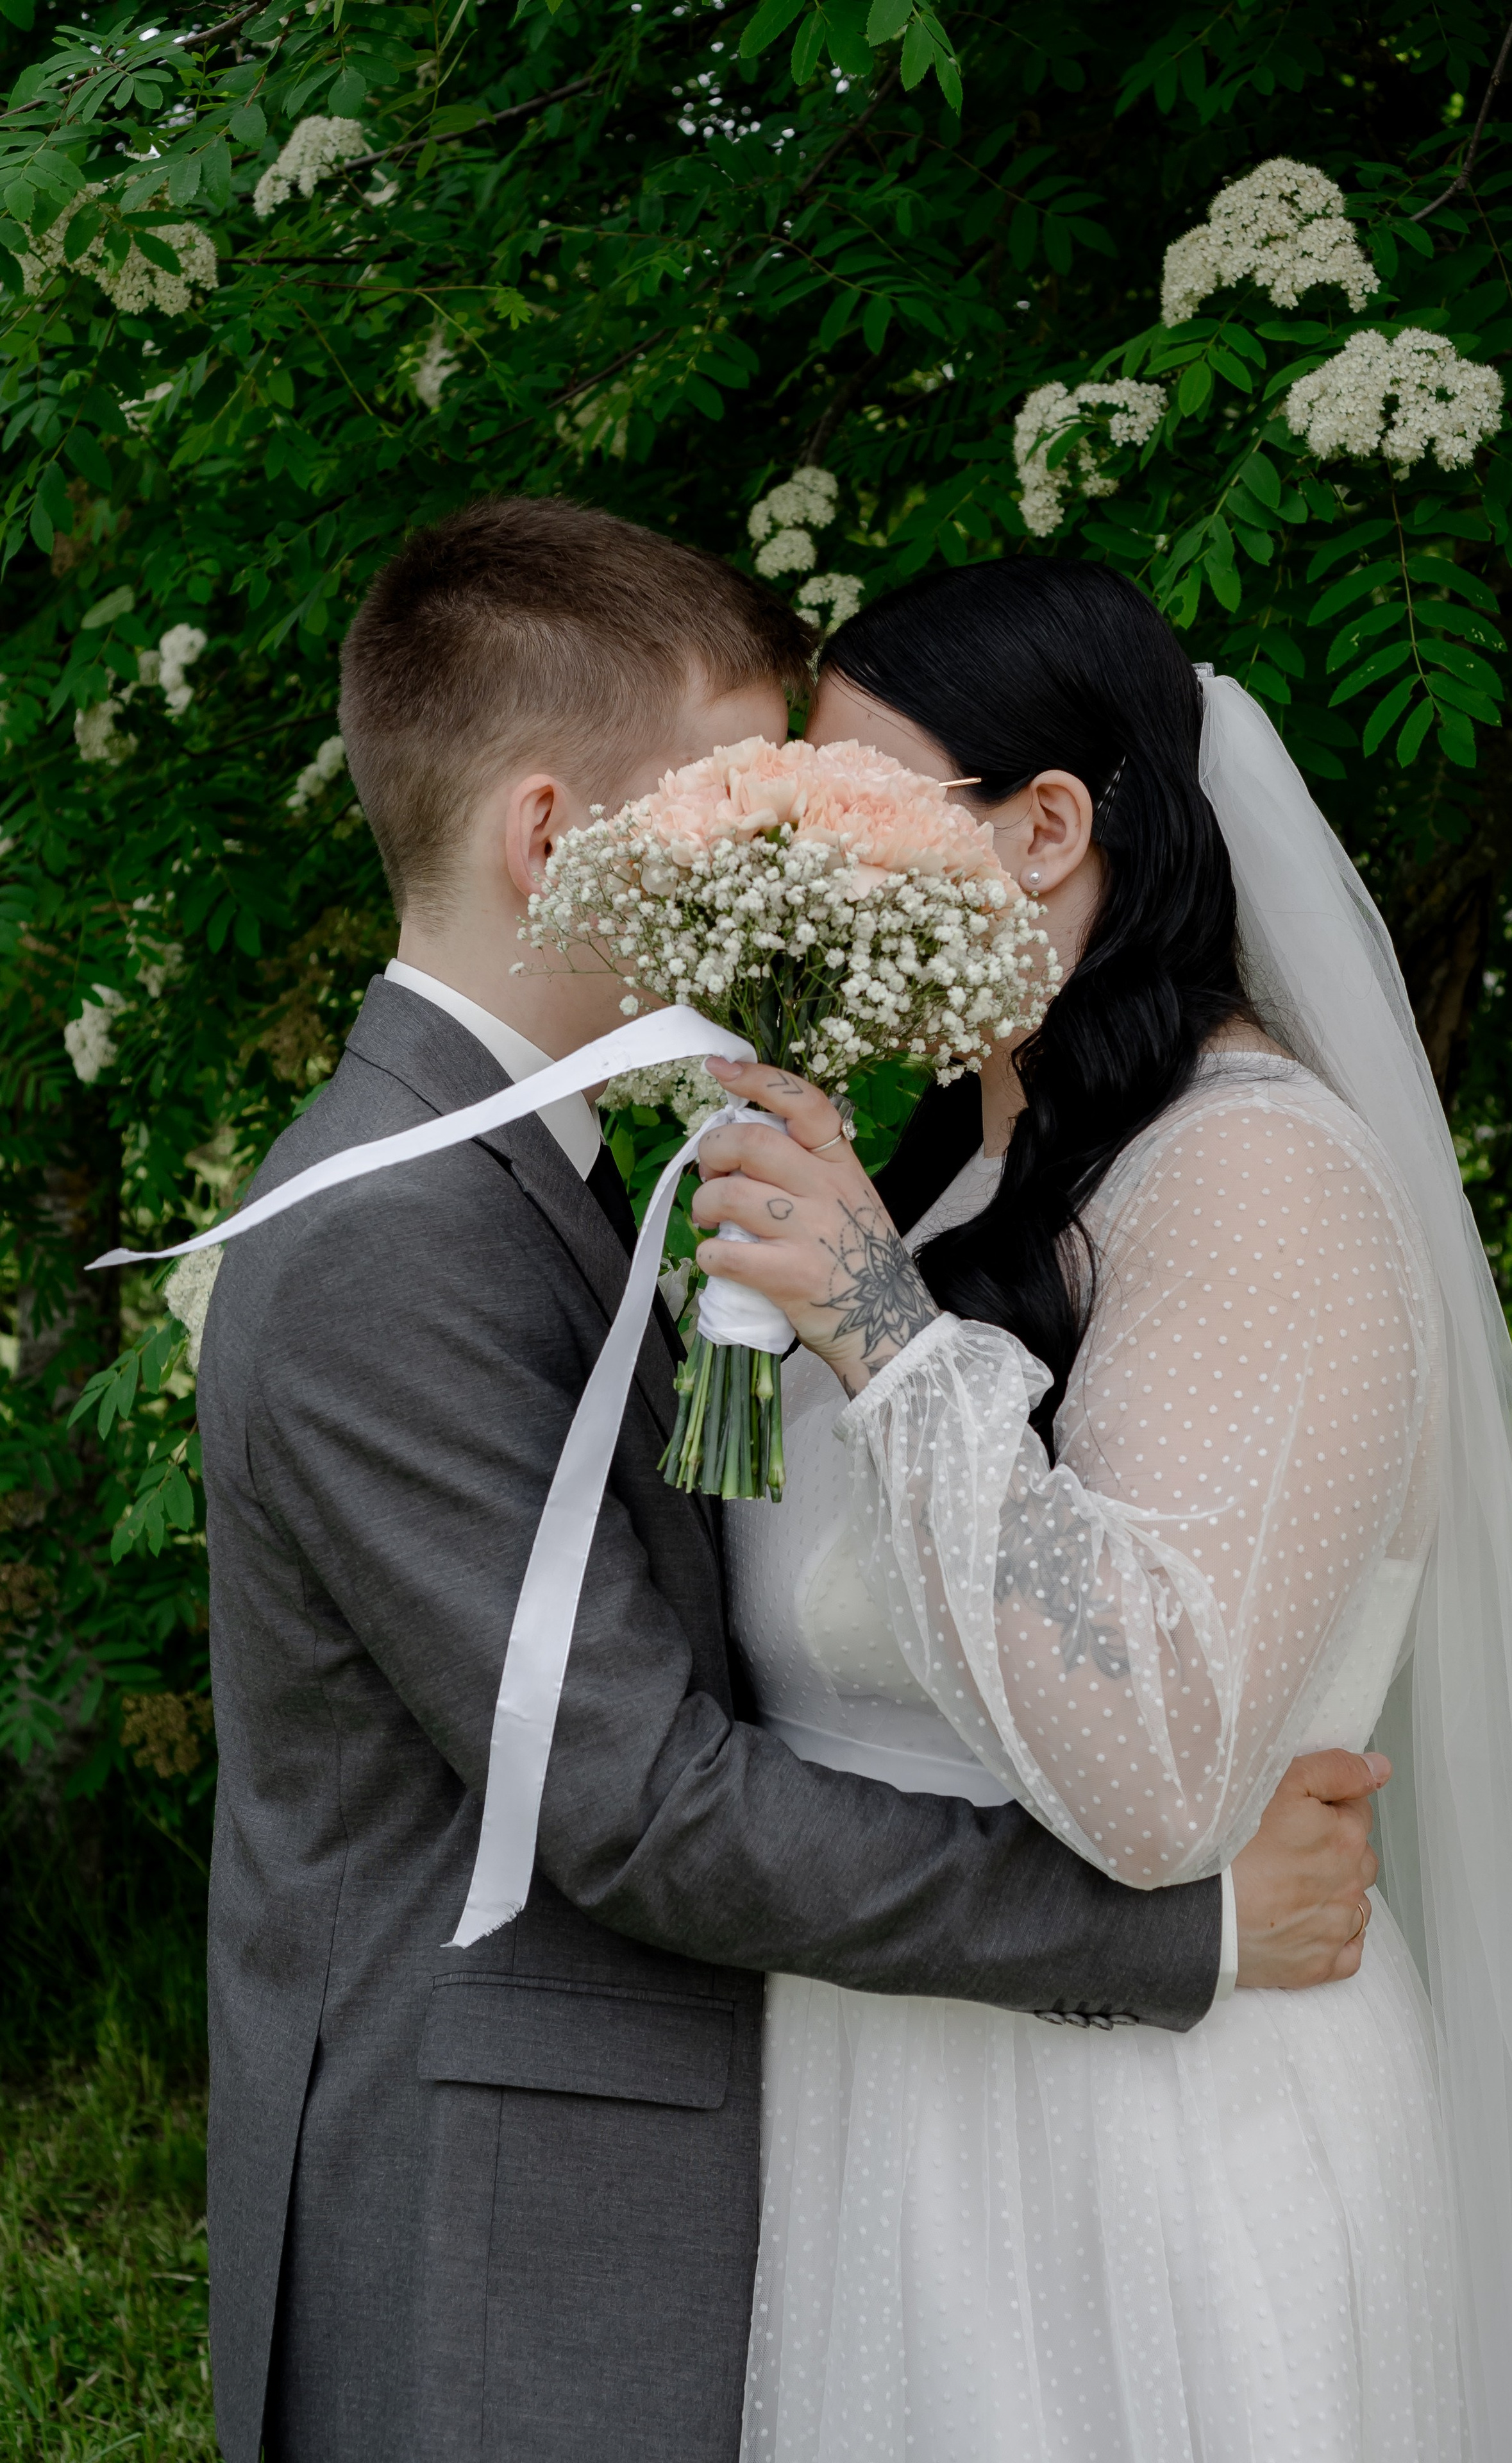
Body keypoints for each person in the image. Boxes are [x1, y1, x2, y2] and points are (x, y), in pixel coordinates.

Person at [195, 500, 1383, 2463]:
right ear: (559, 841)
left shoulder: (571, 1178)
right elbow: (643, 1801)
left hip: (799, 2165)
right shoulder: (392, 1238)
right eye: (741, 811)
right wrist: (1186, 1933)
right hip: (505, 2225)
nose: (795, 864)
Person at [696, 557, 1512, 2463]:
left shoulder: (1256, 1181)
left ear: (1049, 828)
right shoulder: (951, 1186)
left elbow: (1158, 1770)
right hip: (889, 2120)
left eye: (853, 810)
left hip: (1137, 2164)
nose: (809, 872)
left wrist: (880, 1325)